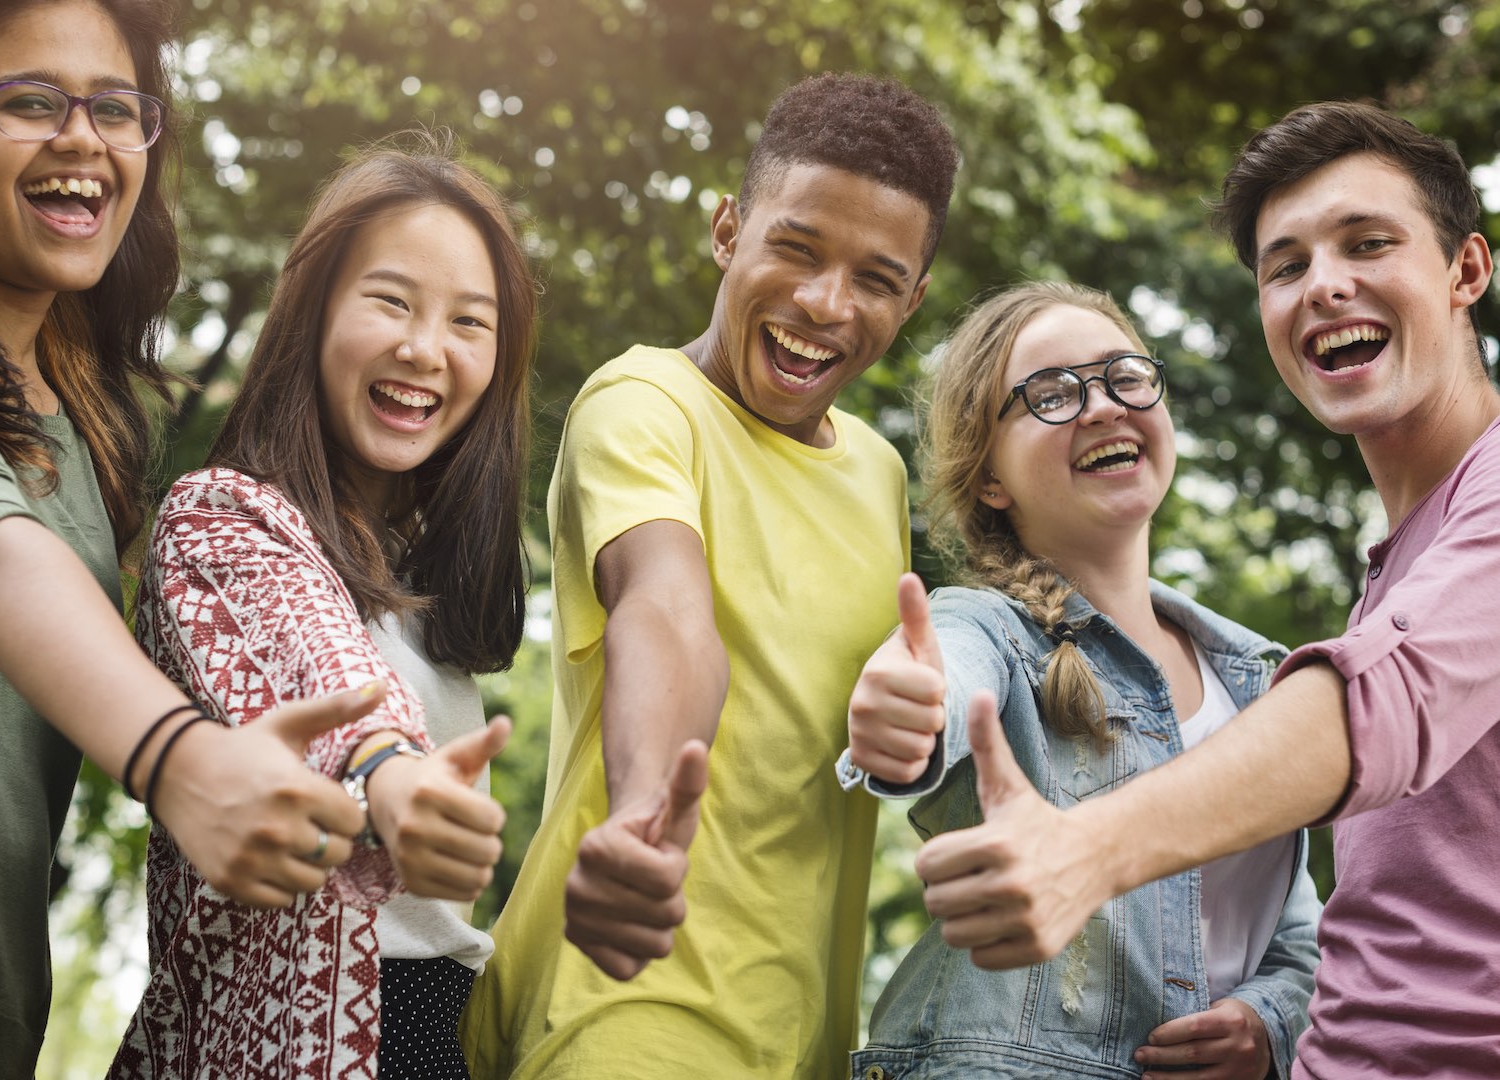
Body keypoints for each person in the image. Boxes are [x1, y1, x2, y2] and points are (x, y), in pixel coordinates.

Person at [905, 103, 1500, 1078]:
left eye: (1368, 243)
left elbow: (1381, 702)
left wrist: (1081, 852)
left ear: (1465, 271)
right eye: (1286, 265)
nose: (1325, 285)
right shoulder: (1401, 565)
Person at [0, 2, 387, 1077]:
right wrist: (178, 761)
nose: (84, 138)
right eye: (29, 101)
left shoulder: (92, 426)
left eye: (117, 109)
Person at [460, 73, 957, 1079]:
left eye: (873, 277)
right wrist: (646, 812)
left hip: (803, 1035)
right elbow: (668, 608)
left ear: (914, 299)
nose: (824, 304)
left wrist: (916, 735)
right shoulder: (645, 404)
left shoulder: (876, 472)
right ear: (729, 230)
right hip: (624, 1007)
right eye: (796, 248)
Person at [107, 135, 536, 1079]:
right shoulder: (220, 520)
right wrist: (391, 772)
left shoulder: (430, 595)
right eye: (391, 301)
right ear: (315, 313)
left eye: (471, 321)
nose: (424, 349)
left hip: (437, 1038)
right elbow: (312, 662)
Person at [841, 281, 1320, 1080]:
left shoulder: (1260, 682)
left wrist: (1267, 1022)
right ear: (990, 478)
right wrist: (909, 708)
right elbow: (945, 675)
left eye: (1123, 376)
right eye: (1051, 394)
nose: (1100, 406)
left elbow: (1299, 935)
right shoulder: (988, 630)